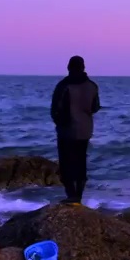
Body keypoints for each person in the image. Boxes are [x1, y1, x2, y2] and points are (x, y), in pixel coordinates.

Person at [50, 55, 100, 205]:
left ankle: (71, 196)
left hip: (67, 130)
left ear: (68, 68)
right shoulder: (92, 86)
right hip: (85, 130)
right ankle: (78, 196)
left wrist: (59, 123)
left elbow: (55, 109)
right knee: (81, 162)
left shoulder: (63, 85)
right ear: (83, 68)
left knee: (66, 164)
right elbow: (95, 107)